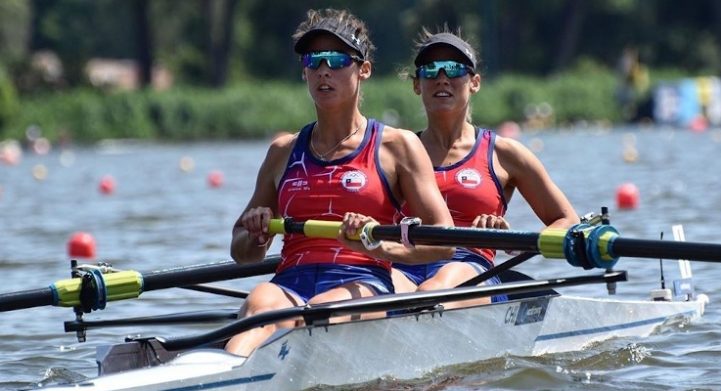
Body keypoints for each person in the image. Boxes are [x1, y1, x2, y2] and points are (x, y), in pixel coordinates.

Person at [225, 9, 454, 357]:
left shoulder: (397, 146)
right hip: (291, 279)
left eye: (336, 59)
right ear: (304, 71)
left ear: (364, 69)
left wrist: (377, 247)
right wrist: (256, 235)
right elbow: (241, 251)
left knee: (320, 311)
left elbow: (444, 242)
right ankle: (223, 373)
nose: (323, 71)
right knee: (260, 305)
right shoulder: (283, 151)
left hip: (363, 279)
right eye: (313, 61)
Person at [392, 28, 580, 307]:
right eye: (430, 70)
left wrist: (514, 241)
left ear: (475, 82)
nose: (442, 77)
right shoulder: (396, 151)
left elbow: (568, 222)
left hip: (470, 268)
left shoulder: (505, 154)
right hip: (404, 265)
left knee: (429, 294)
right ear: (417, 84)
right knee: (374, 293)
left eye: (454, 69)